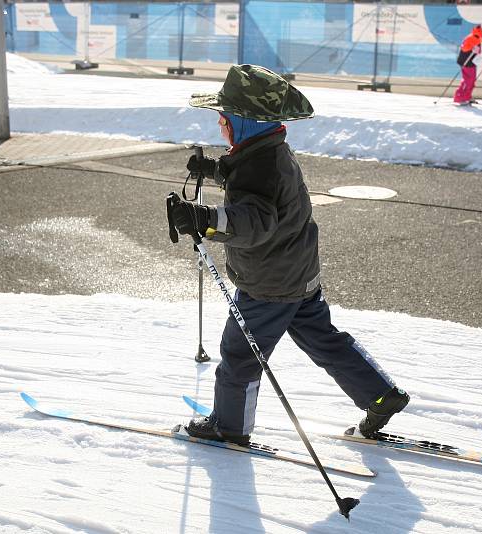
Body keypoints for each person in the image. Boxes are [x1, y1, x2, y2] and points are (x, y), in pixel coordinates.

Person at [167, 64, 409, 445]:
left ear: (244, 121)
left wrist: (205, 219)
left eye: (224, 117)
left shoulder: (259, 166)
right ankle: (380, 395)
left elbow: (256, 219)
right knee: (323, 339)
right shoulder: (268, 150)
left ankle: (229, 426)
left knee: (240, 352)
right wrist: (215, 169)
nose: (219, 124)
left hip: (269, 283)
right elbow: (259, 191)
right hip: (300, 273)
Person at [453, 19, 482, 106]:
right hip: (466, 61)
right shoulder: (473, 37)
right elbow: (464, 47)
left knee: (471, 81)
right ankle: (460, 97)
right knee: (467, 81)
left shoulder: (481, 37)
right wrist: (472, 48)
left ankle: (467, 96)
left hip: (472, 62)